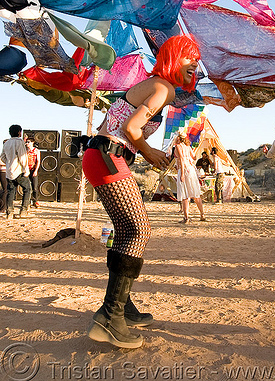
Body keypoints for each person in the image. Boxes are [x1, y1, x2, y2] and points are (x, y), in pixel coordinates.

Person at [82, 35, 200, 349]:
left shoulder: (156, 86)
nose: (195, 65)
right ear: (176, 57)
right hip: (108, 156)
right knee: (139, 230)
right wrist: (150, 153)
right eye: (191, 58)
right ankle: (111, 316)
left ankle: (122, 306)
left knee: (125, 230)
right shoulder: (163, 87)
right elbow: (133, 129)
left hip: (102, 156)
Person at [0, 125, 32, 219]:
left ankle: (9, 212)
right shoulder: (19, 142)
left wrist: (9, 162)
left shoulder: (6, 143)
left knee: (11, 191)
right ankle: (23, 210)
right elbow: (22, 157)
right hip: (19, 170)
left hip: (9, 171)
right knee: (27, 189)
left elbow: (2, 157)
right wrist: (26, 169)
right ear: (19, 132)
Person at [174, 133, 205, 223]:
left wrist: (182, 173)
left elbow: (182, 159)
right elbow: (194, 157)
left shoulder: (178, 146)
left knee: (185, 195)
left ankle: (186, 217)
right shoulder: (188, 147)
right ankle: (202, 214)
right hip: (191, 169)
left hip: (184, 169)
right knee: (195, 193)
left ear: (179, 138)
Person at [25, 138, 41, 209]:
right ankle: (27, 201)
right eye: (26, 142)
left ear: (32, 143)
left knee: (35, 186)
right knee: (27, 186)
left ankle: (35, 201)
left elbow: (38, 161)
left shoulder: (36, 151)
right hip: (26, 169)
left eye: (28, 142)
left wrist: (36, 170)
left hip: (33, 169)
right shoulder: (25, 151)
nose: (27, 143)